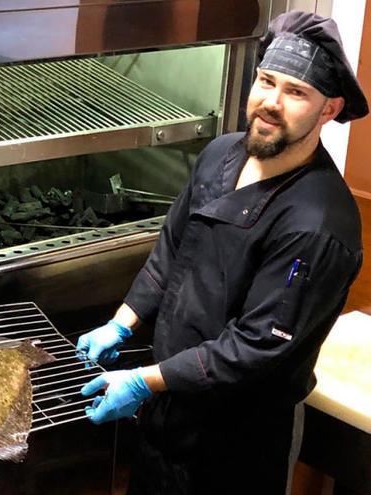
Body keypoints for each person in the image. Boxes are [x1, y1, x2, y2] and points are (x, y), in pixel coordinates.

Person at [75, 11, 367, 495]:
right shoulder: (221, 154)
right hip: (169, 409)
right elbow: (171, 252)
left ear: (329, 109)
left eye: (296, 93)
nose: (271, 103)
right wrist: (122, 322)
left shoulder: (318, 224)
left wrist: (143, 380)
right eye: (266, 81)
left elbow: (255, 347)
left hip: (238, 440)